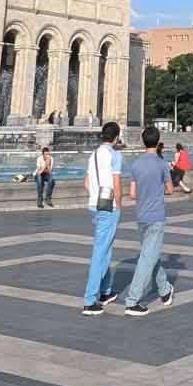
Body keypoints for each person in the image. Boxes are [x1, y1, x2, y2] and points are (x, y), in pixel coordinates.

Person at [122, 127, 175, 314]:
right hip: (156, 216)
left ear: (143, 141)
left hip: (141, 216)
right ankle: (132, 300)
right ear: (158, 141)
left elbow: (132, 194)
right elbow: (170, 190)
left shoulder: (136, 164)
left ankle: (165, 289)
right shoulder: (161, 164)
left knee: (149, 253)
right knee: (147, 257)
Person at [80, 121, 124, 315]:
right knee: (100, 252)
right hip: (109, 207)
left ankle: (106, 292)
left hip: (94, 205)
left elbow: (87, 183)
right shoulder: (115, 155)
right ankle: (89, 300)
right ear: (116, 137)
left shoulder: (94, 154)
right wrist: (119, 205)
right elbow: (116, 182)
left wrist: (95, 196)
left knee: (105, 250)